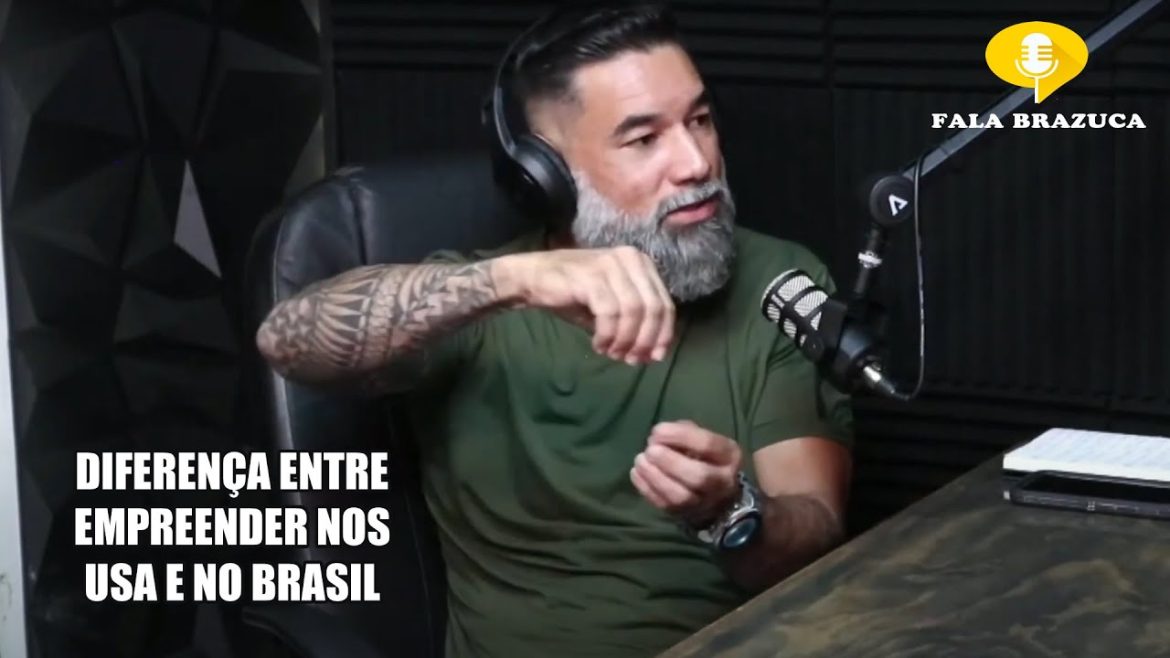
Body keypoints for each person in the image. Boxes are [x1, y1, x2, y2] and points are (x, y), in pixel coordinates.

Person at [255, 3, 853, 657]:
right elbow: (285, 340)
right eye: (643, 139)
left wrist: (731, 512)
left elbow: (815, 538)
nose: (695, 162)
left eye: (700, 120)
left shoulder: (778, 282)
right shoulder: (477, 303)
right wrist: (513, 282)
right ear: (546, 176)